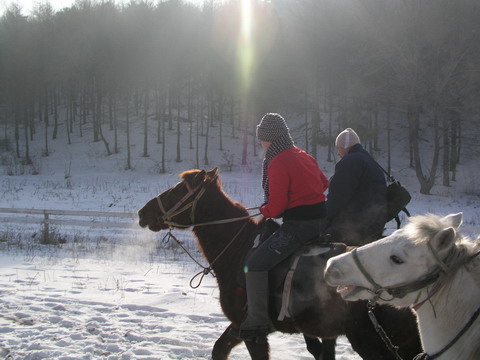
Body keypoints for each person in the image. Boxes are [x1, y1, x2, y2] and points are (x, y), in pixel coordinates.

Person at [230, 113, 329, 342]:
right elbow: (325, 183)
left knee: (254, 264)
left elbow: (275, 209)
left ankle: (257, 320)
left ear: (270, 138)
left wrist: (263, 210)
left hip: (298, 228)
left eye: (261, 139)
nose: (261, 143)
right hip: (319, 224)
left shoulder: (278, 161)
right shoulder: (303, 155)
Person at [325, 128, 387, 246]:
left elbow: (337, 199)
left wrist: (321, 214)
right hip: (374, 225)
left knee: (315, 248)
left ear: (345, 146)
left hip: (353, 227)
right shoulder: (370, 162)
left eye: (338, 148)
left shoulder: (350, 162)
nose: (338, 153)